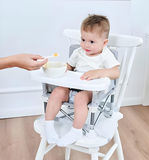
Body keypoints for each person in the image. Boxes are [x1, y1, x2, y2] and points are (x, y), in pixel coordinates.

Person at [45, 14, 120, 147]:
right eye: (83, 39)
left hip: (92, 91)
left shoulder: (106, 55)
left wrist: (98, 72)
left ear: (104, 43)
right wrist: (61, 69)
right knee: (57, 92)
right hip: (74, 85)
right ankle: (49, 125)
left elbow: (115, 72)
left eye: (92, 42)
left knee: (80, 98)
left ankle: (76, 131)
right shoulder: (78, 52)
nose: (86, 45)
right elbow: (69, 67)